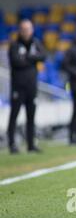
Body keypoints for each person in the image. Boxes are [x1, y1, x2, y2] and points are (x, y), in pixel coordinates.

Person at [7, 19, 46, 154]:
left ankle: (31, 144)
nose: (26, 32)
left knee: (31, 116)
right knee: (14, 115)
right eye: (23, 29)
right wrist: (32, 58)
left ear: (32, 30)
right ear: (20, 30)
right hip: (18, 86)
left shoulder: (36, 42)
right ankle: (12, 144)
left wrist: (27, 58)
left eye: (28, 29)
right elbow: (16, 62)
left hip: (32, 86)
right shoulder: (15, 45)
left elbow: (43, 56)